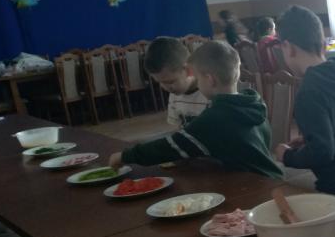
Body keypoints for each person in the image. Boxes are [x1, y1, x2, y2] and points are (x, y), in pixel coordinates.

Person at [109, 41, 282, 178]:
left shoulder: (215, 117)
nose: (197, 84)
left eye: (198, 79)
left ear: (209, 79)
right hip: (269, 178)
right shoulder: (252, 102)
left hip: (255, 185)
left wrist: (125, 156)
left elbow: (169, 147)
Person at [273, 5, 335, 197]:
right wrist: (310, 139)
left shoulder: (309, 91)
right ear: (323, 44)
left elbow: (323, 152)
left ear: (288, 48)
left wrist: (287, 156)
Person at [143, 37, 208, 129]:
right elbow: (177, 127)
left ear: (189, 70)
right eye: (160, 82)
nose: (164, 87)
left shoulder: (210, 93)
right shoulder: (174, 95)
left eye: (170, 82)